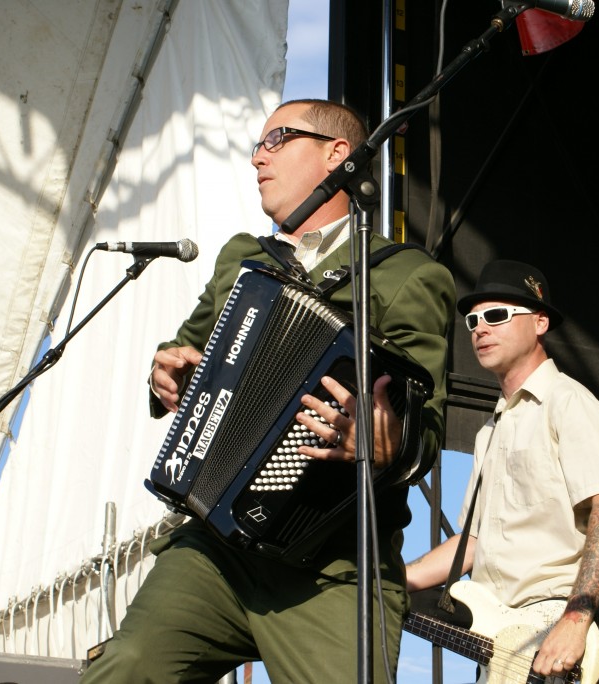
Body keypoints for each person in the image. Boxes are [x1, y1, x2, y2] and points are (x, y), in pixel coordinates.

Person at [80, 99, 456, 683]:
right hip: (217, 546)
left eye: (277, 138)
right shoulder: (243, 259)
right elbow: (187, 352)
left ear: (337, 155)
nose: (258, 156)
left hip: (334, 561)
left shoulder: (406, 274)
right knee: (126, 667)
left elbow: (424, 426)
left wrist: (387, 442)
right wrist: (169, 373)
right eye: (258, 144)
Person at [405, 260, 599, 682]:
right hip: (501, 644)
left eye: (496, 316)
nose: (479, 329)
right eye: (473, 320)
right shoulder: (489, 432)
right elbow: (474, 543)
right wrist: (394, 580)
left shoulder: (568, 403)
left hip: (554, 628)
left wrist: (576, 619)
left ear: (540, 322)